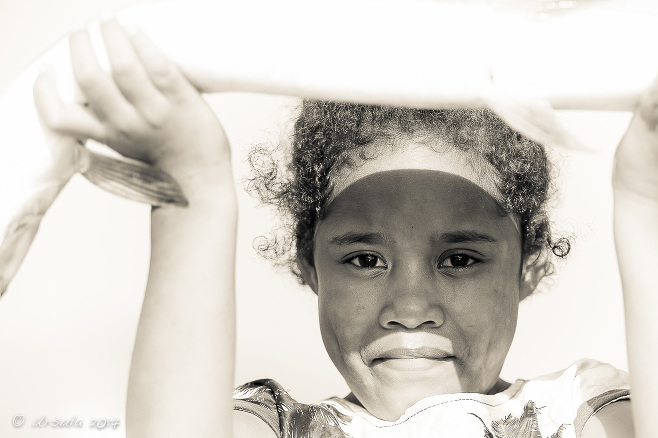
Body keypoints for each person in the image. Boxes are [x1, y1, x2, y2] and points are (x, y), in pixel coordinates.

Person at [32, 18, 658, 438]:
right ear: (309, 263)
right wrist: (191, 188)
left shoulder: (579, 411)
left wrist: (645, 202)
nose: (411, 308)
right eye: (364, 259)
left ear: (529, 265)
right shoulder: (275, 424)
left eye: (461, 258)